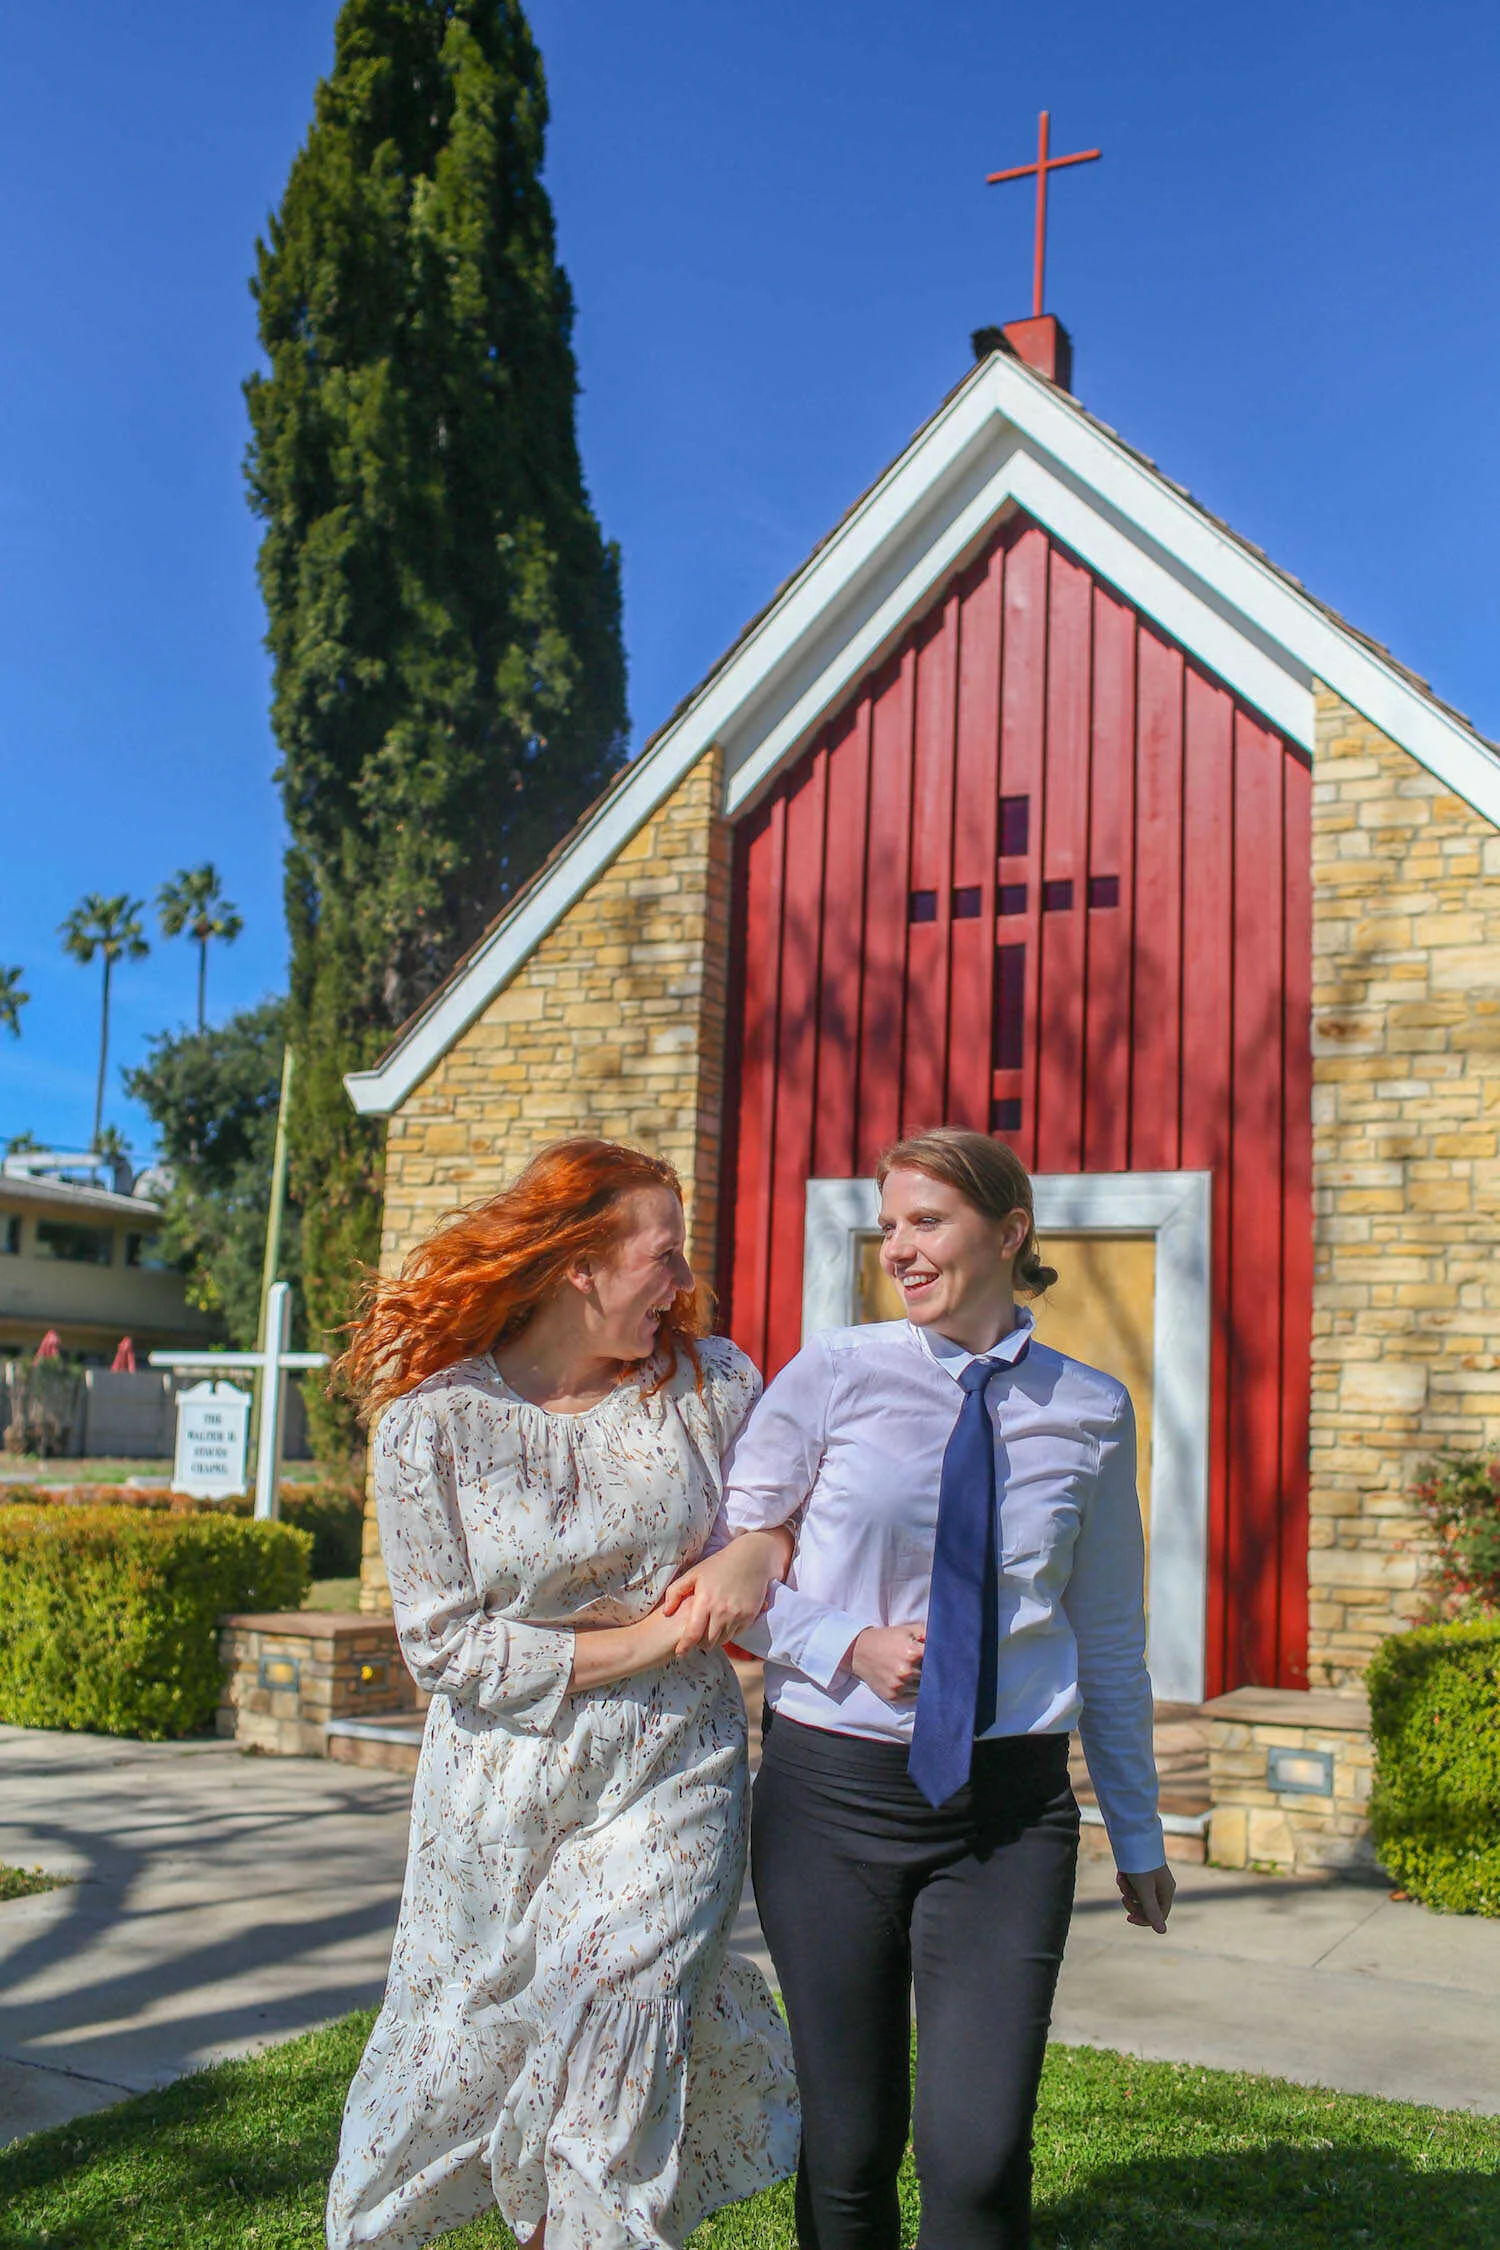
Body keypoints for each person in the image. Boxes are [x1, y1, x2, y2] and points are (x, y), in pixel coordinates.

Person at [325, 1139, 799, 2250]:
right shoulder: (433, 1425)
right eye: (663, 1256)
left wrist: (761, 1548)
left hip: (674, 1760)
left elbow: (802, 1511)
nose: (684, 1282)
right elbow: (445, 1647)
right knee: (461, 2050)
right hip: (497, 1789)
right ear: (580, 1263)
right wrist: (654, 1636)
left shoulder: (711, 1385)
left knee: (620, 2020)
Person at [708, 1126, 1174, 2250]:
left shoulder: (1091, 1410)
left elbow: (1110, 1638)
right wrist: (844, 1643)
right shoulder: (834, 1373)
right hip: (830, 1806)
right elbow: (726, 1566)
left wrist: (1140, 1831)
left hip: (1007, 1819)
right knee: (850, 2146)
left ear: (1010, 1232)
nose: (899, 1250)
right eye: (888, 1227)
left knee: (979, 2156)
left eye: (927, 1221)